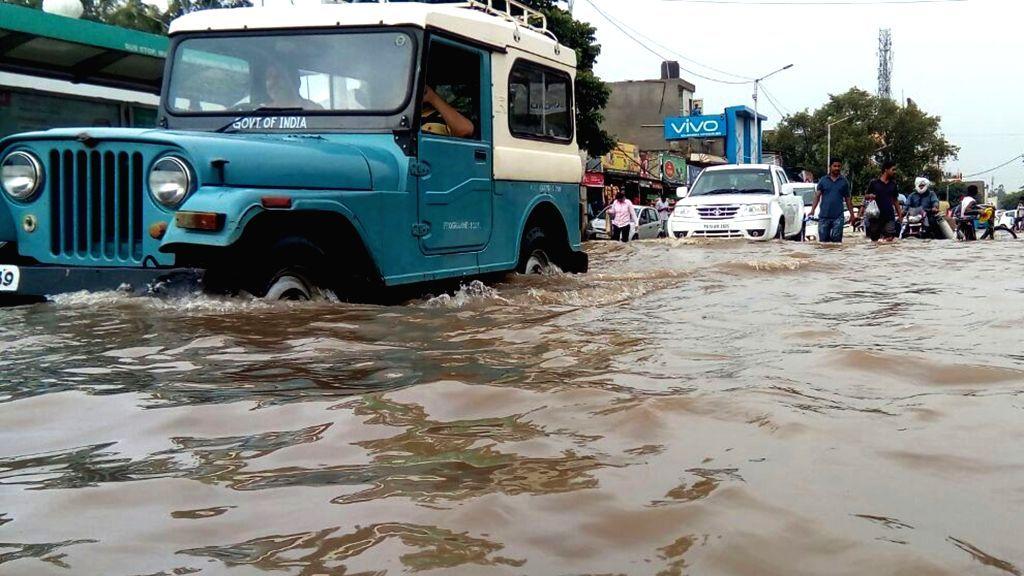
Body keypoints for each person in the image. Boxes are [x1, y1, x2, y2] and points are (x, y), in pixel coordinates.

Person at [810, 159, 857, 243]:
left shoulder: (844, 182)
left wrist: (852, 214)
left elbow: (848, 199)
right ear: (830, 167)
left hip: (838, 217)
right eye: (835, 166)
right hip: (824, 216)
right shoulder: (823, 180)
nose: (837, 168)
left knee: (837, 242)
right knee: (823, 242)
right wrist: (812, 210)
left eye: (839, 166)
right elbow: (817, 196)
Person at [863, 161, 902, 242]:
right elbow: (865, 196)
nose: (895, 172)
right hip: (875, 217)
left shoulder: (893, 184)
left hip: (889, 216)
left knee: (889, 239)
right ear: (886, 170)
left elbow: (895, 201)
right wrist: (870, 196)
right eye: (893, 170)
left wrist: (900, 215)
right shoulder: (874, 183)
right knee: (875, 241)